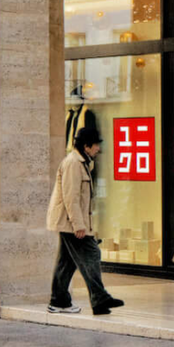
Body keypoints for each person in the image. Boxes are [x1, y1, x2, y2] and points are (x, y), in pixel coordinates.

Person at [45, 123, 122, 316]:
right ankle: (99, 298)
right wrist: (78, 225)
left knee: (67, 262)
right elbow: (71, 197)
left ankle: (59, 301)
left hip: (69, 222)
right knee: (92, 254)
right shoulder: (73, 164)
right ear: (86, 146)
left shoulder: (81, 162)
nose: (99, 148)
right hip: (70, 223)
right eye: (96, 145)